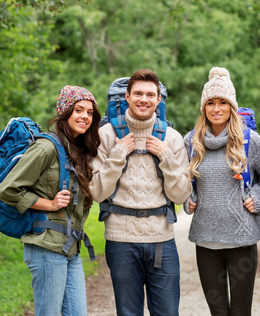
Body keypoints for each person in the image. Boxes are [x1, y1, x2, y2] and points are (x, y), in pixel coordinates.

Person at [89, 69, 192, 316]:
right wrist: (118, 154)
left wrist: (165, 156)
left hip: (161, 240)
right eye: (138, 93)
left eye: (150, 94)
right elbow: (97, 191)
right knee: (128, 313)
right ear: (127, 96)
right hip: (121, 240)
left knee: (167, 312)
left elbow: (180, 195)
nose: (143, 99)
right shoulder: (106, 136)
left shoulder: (172, 138)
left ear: (158, 99)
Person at [0, 85, 101, 315]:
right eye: (78, 110)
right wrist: (50, 204)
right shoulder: (46, 147)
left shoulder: (76, 149)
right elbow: (8, 189)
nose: (85, 116)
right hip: (46, 248)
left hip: (70, 248)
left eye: (89, 112)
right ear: (65, 113)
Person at [184, 67, 260, 316]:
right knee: (218, 311)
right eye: (210, 102)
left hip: (241, 239)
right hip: (206, 240)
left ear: (231, 106)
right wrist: (188, 200)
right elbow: (184, 183)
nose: (216, 108)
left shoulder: (249, 141)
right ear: (204, 108)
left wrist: (259, 198)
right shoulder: (191, 142)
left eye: (223, 102)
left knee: (241, 311)